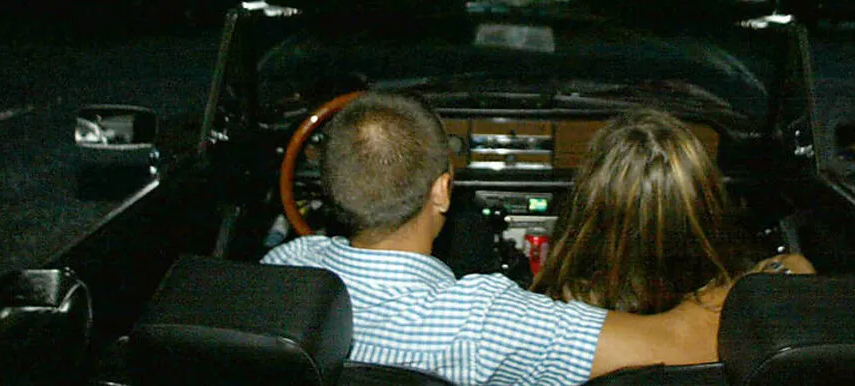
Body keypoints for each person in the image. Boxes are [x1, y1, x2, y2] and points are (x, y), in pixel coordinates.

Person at [262, 92, 728, 386]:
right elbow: (684, 342)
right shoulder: (489, 322)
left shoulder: (283, 268)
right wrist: (760, 273)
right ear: (442, 190)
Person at [532, 109, 814, 314]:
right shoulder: (741, 308)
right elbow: (795, 268)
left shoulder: (564, 317)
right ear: (706, 202)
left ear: (589, 208)